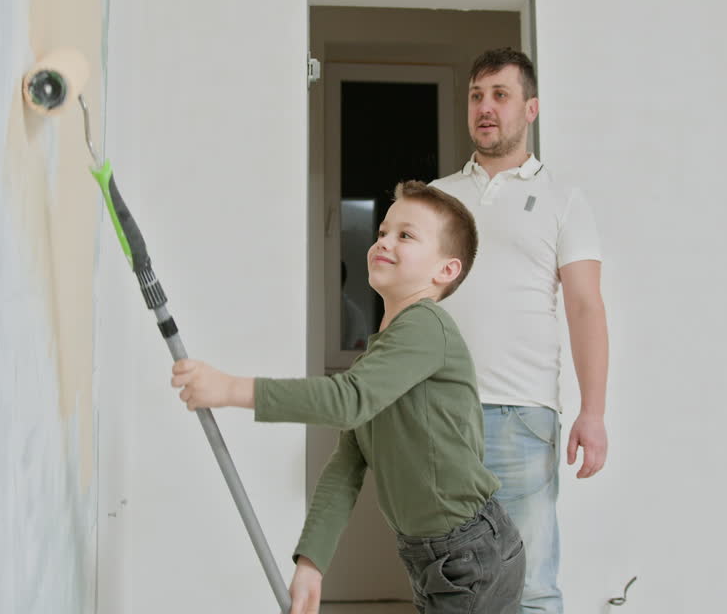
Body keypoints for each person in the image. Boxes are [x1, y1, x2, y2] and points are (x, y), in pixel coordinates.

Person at [171, 181, 526, 614]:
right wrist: (311, 562)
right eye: (382, 232)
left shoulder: (427, 326)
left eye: (406, 235)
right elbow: (346, 465)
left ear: (445, 271)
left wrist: (230, 389)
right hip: (432, 555)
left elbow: (348, 400)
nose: (384, 242)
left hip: (469, 554)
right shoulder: (384, 354)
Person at [432, 48, 610, 614]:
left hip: (522, 419)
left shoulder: (563, 201)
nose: (486, 108)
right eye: (476, 96)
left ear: (530, 109)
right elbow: (407, 305)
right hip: (440, 417)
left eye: (500, 95)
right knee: (451, 590)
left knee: (529, 588)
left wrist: (593, 412)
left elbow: (585, 307)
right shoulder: (436, 199)